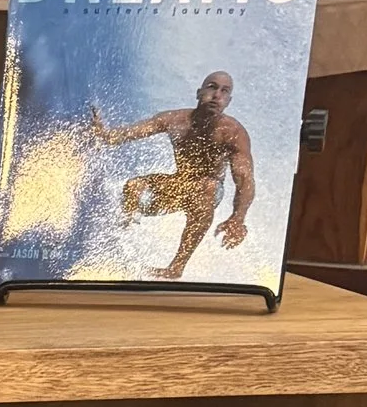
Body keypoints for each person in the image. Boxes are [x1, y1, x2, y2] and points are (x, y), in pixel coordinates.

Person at [88, 69, 257, 278]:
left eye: (224, 91)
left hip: (209, 190)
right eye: (212, 87)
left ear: (228, 101)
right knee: (133, 187)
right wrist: (104, 134)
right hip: (178, 185)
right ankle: (119, 238)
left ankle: (175, 268)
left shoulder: (232, 132)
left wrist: (238, 218)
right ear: (199, 93)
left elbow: (245, 180)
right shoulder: (175, 120)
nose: (217, 95)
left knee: (207, 187)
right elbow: (123, 135)